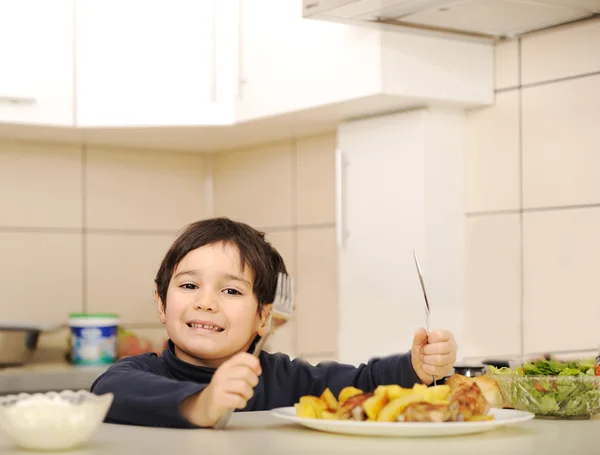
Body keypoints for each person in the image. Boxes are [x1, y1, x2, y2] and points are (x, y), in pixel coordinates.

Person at [90, 217, 458, 428]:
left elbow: (360, 384)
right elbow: (108, 392)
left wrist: (416, 367)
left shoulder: (285, 377)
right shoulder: (138, 373)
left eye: (231, 292)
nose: (205, 302)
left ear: (264, 317)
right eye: (189, 285)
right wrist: (202, 404)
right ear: (161, 303)